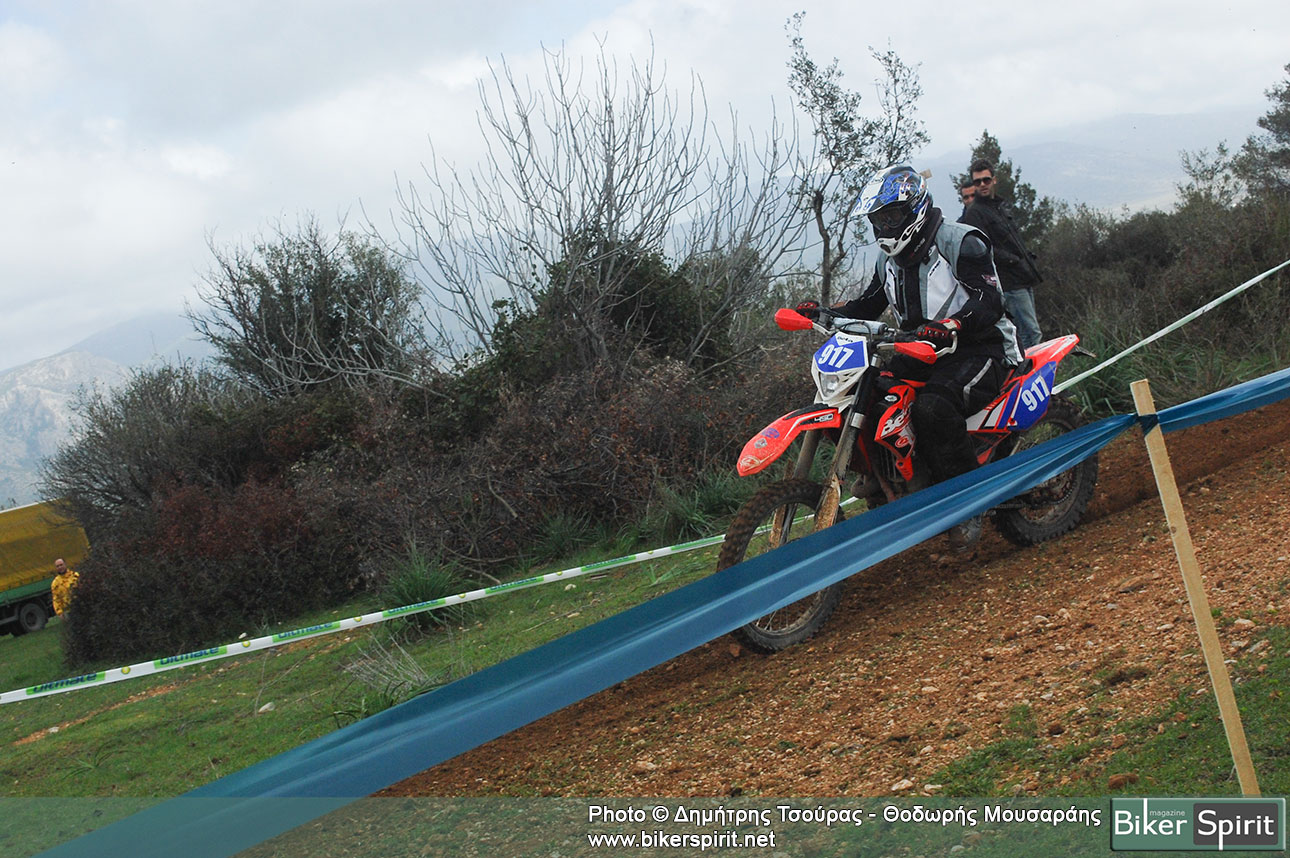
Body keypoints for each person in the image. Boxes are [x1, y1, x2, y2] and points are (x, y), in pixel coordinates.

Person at [798, 165, 1022, 550]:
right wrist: (823, 313)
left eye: (891, 217)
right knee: (870, 396)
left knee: (932, 409)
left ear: (914, 209)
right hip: (919, 349)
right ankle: (894, 480)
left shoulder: (961, 242)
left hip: (981, 348)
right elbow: (867, 305)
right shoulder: (888, 261)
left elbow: (990, 301)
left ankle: (968, 506)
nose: (883, 227)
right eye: (877, 220)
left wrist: (953, 324)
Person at [958, 158, 1044, 351]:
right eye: (978, 181)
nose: (982, 184)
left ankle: (1025, 365)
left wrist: (1024, 261)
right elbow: (982, 248)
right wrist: (1012, 260)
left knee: (1027, 332)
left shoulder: (998, 207)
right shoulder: (975, 213)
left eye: (986, 180)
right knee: (1031, 333)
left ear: (994, 180)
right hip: (1008, 281)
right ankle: (1031, 367)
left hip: (1022, 276)